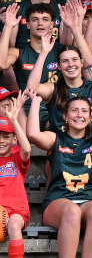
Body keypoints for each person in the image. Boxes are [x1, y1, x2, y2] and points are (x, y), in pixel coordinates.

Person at [26, 90, 92, 258]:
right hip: (59, 203)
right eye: (74, 110)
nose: (79, 115)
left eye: (84, 111)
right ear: (65, 116)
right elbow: (33, 134)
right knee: (72, 211)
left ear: (91, 117)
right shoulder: (55, 138)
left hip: (89, 200)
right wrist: (36, 102)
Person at [0, 94, 29, 258]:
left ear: (13, 139)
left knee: (13, 225)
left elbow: (27, 149)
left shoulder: (17, 158)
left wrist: (15, 121)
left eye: (6, 137)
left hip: (16, 210)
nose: (1, 141)